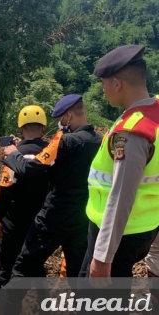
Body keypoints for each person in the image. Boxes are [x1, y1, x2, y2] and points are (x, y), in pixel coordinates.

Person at [0, 95, 101, 315]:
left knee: (22, 269)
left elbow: (31, 168)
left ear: (68, 116)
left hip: (53, 217)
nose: (59, 124)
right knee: (78, 277)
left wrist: (12, 153)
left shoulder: (63, 140)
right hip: (83, 217)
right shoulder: (100, 140)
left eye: (60, 119)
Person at [80, 45, 159, 296]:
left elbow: (121, 195)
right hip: (144, 228)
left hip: (118, 236)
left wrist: (103, 257)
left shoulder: (132, 131)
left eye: (103, 84)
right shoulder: (154, 111)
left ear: (117, 83)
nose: (102, 91)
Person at [0, 105, 50, 288]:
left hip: (15, 221)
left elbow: (5, 187)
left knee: (8, 267)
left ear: (21, 128)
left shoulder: (13, 154)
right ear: (43, 127)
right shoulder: (51, 151)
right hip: (42, 220)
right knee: (36, 266)